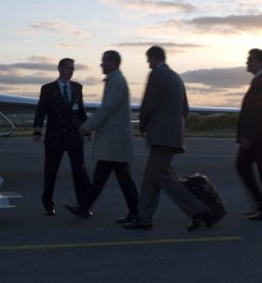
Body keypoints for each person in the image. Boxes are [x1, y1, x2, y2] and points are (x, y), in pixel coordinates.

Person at [127, 45, 211, 231]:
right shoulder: (176, 77)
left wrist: (143, 125)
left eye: (149, 60)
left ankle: (199, 210)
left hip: (161, 137)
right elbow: (185, 109)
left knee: (161, 177)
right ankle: (144, 218)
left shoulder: (157, 75)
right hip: (172, 136)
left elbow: (148, 104)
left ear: (154, 58)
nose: (148, 64)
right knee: (152, 177)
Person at [64, 50, 138, 223]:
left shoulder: (117, 81)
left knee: (122, 180)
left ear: (112, 62)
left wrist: (86, 127)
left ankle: (135, 212)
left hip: (114, 142)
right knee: (103, 178)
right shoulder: (115, 81)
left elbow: (107, 108)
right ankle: (85, 207)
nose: (101, 64)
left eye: (103, 61)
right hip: (113, 143)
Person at [33, 58, 91, 216]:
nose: (71, 72)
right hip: (54, 138)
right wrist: (37, 130)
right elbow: (40, 111)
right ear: (59, 69)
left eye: (73, 69)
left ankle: (84, 206)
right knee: (51, 172)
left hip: (74, 137)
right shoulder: (47, 89)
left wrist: (87, 130)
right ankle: (48, 205)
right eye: (68, 69)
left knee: (80, 172)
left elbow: (81, 112)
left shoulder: (77, 87)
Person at [235, 48, 262, 221]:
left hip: (261, 138)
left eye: (250, 59)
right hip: (258, 137)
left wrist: (248, 136)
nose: (247, 62)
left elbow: (259, 112)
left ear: (260, 62)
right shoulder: (259, 81)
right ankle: (261, 203)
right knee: (245, 166)